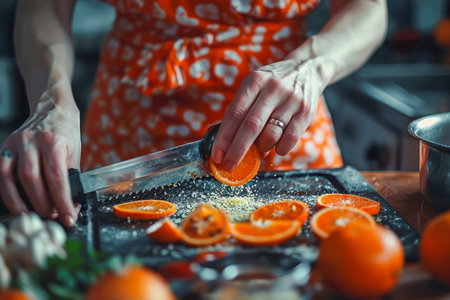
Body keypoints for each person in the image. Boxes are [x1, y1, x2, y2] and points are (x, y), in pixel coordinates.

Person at [0, 0, 387, 227]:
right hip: (131, 127)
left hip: (280, 123)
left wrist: (311, 67)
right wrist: (52, 102)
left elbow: (369, 8)